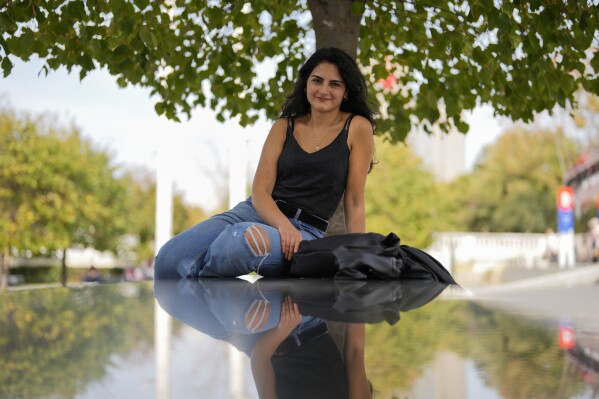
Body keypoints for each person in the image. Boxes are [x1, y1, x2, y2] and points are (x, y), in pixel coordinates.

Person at [154, 47, 376, 279]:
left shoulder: (357, 127)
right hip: (254, 212)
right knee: (168, 260)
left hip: (305, 232)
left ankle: (204, 291)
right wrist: (283, 225)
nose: (323, 90)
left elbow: (354, 201)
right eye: (317, 81)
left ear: (346, 91)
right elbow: (260, 191)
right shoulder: (283, 126)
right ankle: (208, 290)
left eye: (334, 84)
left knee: (242, 240)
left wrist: (357, 255)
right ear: (306, 83)